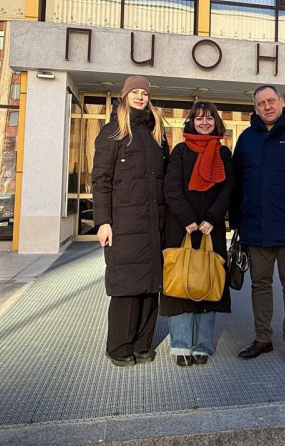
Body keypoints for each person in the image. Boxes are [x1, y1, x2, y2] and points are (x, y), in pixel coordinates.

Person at [230, 85, 285, 366]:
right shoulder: (246, 138)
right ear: (255, 108)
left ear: (281, 101)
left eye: (271, 101)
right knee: (260, 285)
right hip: (255, 227)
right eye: (260, 103)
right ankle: (262, 338)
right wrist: (237, 221)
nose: (266, 107)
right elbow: (237, 183)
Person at [92, 75, 169, 367]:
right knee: (126, 285)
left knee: (151, 285)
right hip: (124, 223)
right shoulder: (113, 131)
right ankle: (119, 346)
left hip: (153, 223)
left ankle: (142, 344)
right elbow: (101, 179)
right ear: (125, 96)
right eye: (134, 92)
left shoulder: (156, 131)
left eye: (144, 93)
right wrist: (103, 221)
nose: (140, 97)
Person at [161, 101, 234, 367]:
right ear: (191, 122)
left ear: (216, 122)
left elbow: (228, 189)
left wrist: (212, 219)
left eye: (209, 118)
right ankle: (181, 345)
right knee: (179, 282)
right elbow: (171, 188)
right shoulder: (180, 151)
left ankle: (202, 345)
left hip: (211, 229)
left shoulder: (223, 153)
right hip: (181, 227)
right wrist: (188, 219)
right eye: (199, 118)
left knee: (208, 281)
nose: (204, 122)